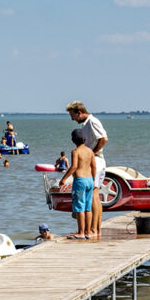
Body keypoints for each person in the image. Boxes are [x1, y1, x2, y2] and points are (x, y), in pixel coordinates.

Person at [66, 101, 108, 239]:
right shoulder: (87, 123)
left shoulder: (92, 121)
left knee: (94, 196)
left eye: (73, 115)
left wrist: (92, 152)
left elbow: (104, 139)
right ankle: (95, 229)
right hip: (96, 161)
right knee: (95, 194)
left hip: (97, 160)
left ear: (79, 112)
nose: (72, 119)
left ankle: (92, 230)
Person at [57, 128, 96, 240]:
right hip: (89, 180)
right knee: (88, 208)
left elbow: (74, 167)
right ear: (85, 139)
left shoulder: (75, 152)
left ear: (73, 140)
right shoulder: (90, 151)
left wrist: (64, 179)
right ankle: (88, 232)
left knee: (79, 207)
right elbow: (94, 167)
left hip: (80, 181)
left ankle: (81, 232)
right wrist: (93, 179)